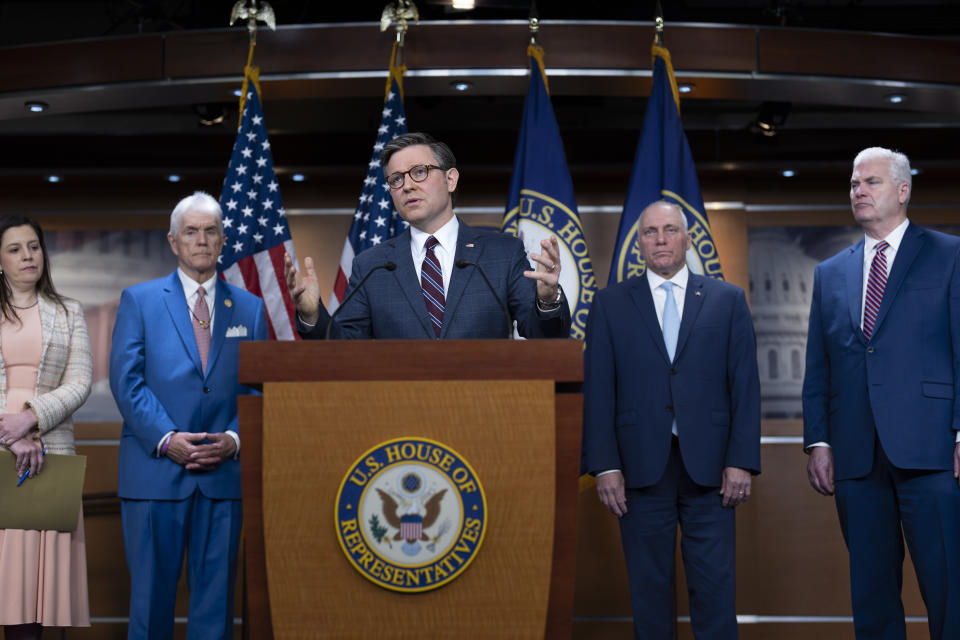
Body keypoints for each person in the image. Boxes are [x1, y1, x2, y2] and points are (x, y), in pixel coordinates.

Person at [581, 200, 760, 639]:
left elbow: (745, 387)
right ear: (638, 242)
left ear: (686, 238)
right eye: (650, 232)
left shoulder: (727, 300)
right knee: (649, 592)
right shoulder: (609, 304)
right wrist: (605, 465)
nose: (660, 240)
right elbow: (600, 389)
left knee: (716, 591)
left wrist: (741, 460)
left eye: (670, 230)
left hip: (713, 470)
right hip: (639, 469)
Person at [802, 147, 960, 639]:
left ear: (903, 190)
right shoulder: (831, 273)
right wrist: (818, 440)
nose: (859, 191)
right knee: (871, 594)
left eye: (870, 182)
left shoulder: (950, 255)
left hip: (932, 451)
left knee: (948, 589)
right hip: (856, 457)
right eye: (853, 184)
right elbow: (818, 365)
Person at [109, 192, 267, 640]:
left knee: (215, 611)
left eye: (210, 231)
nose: (202, 240)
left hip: (222, 479)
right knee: (150, 606)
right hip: (155, 473)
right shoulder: (139, 300)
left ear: (222, 240)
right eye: (191, 232)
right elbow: (126, 381)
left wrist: (234, 441)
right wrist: (167, 439)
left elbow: (257, 386)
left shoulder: (251, 307)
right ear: (174, 242)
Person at [284, 131, 571, 339]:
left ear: (450, 179)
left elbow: (544, 337)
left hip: (486, 410)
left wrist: (547, 300)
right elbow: (343, 351)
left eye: (419, 172)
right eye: (396, 179)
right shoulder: (372, 265)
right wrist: (312, 315)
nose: (407, 185)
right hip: (399, 413)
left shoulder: (502, 254)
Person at [0, 215, 93, 639]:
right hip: (3, 453)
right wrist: (10, 435)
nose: (27, 255)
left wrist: (31, 417)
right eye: (15, 248)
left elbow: (80, 381)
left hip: (49, 458)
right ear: (0, 260)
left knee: (33, 602)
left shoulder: (68, 310)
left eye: (33, 246)